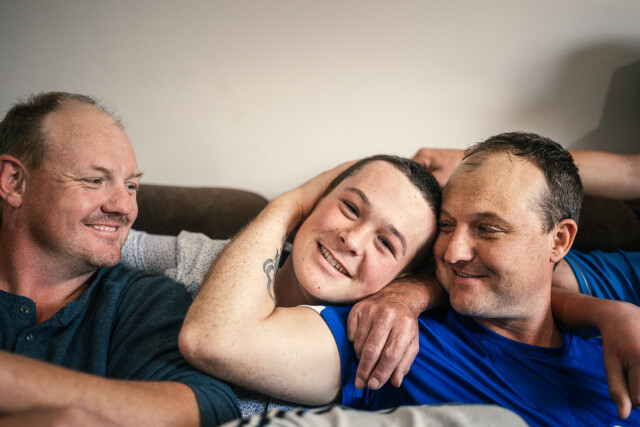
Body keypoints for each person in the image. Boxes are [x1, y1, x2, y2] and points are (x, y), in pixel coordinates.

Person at [179, 132, 640, 426]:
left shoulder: (613, 344)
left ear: (558, 241)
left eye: (488, 229)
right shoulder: (391, 340)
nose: (453, 253)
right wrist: (291, 204)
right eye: (446, 227)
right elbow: (217, 339)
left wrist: (613, 315)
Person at [0, 92, 239, 426]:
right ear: (14, 182)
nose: (125, 207)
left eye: (131, 186)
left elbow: (210, 409)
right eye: (95, 181)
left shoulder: (144, 300)